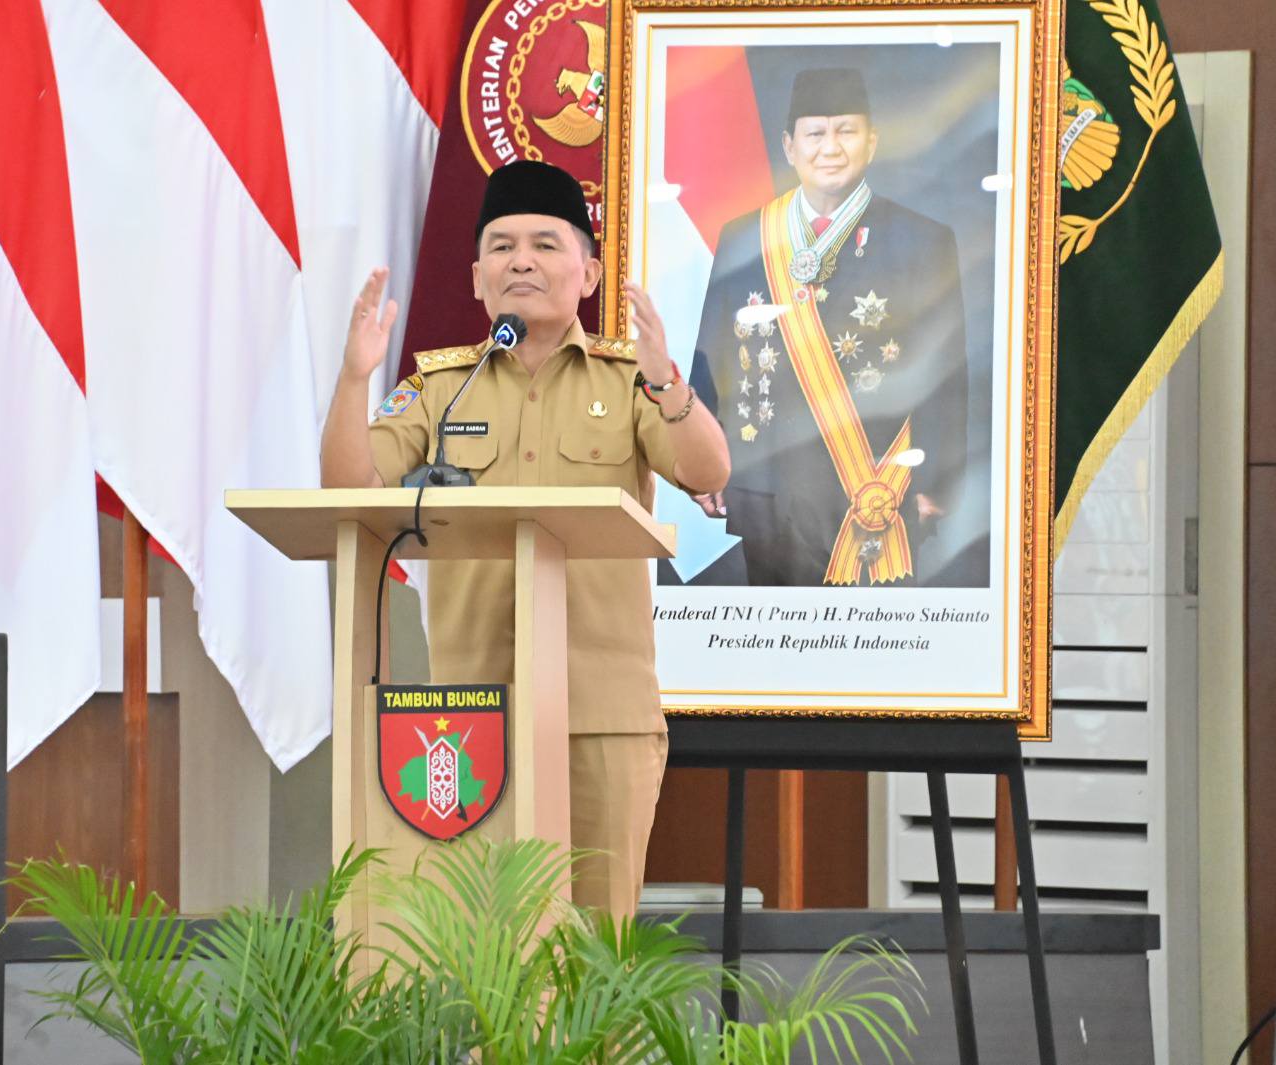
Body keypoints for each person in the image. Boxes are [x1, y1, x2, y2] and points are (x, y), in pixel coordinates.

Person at [319, 160, 730, 919]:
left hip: (601, 711)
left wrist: (666, 378)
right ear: (477, 277)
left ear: (588, 272)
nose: (522, 261)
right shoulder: (444, 387)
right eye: (502, 246)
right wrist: (353, 379)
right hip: (470, 713)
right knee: (488, 954)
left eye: (545, 243)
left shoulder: (625, 382)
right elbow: (349, 487)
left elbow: (707, 466)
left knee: (595, 955)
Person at [687, 67, 969, 587]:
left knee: (874, 658)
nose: (830, 147)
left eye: (846, 130)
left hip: (878, 491)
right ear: (790, 146)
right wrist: (704, 463)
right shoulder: (744, 237)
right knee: (772, 654)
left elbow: (946, 372)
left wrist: (937, 481)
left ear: (872, 142)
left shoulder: (923, 240)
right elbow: (713, 358)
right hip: (764, 488)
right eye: (816, 133)